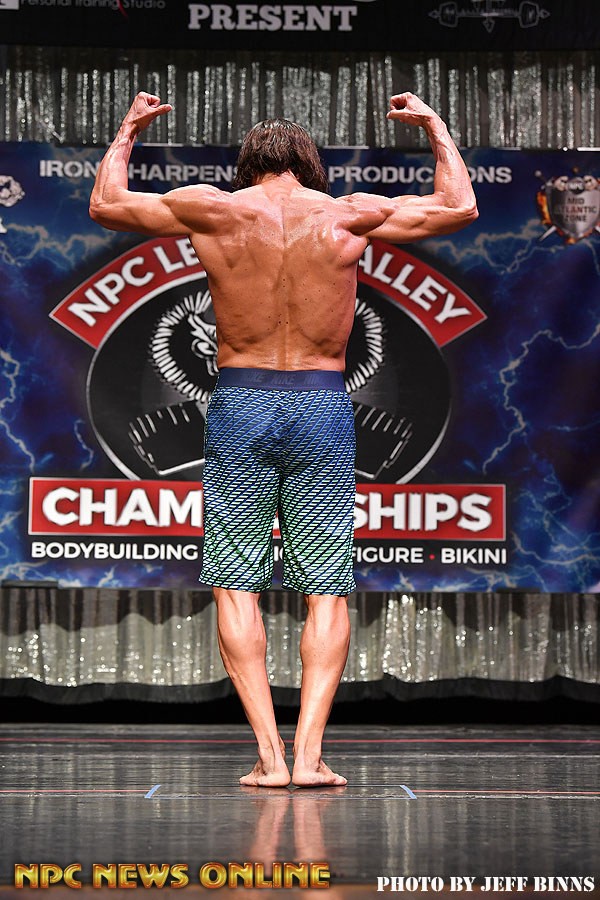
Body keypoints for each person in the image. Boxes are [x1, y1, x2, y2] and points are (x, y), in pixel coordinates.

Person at [90, 91, 478, 788]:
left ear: (247, 165)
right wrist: (434, 126)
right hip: (321, 408)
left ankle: (269, 758)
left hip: (240, 405)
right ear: (310, 165)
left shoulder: (213, 208)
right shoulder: (347, 212)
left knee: (235, 584)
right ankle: (309, 757)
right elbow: (459, 207)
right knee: (325, 590)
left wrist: (129, 131)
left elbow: (107, 204)